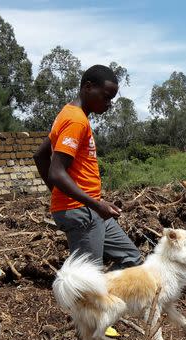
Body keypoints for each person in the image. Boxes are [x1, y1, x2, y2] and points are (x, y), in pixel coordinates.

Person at [33, 64, 142, 269]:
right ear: (88, 87)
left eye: (111, 99)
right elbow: (56, 172)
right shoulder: (76, 120)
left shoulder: (69, 115)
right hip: (83, 211)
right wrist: (93, 204)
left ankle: (109, 300)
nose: (109, 104)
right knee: (88, 278)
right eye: (106, 97)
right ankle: (89, 299)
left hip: (90, 208)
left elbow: (40, 156)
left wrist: (91, 202)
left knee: (131, 258)